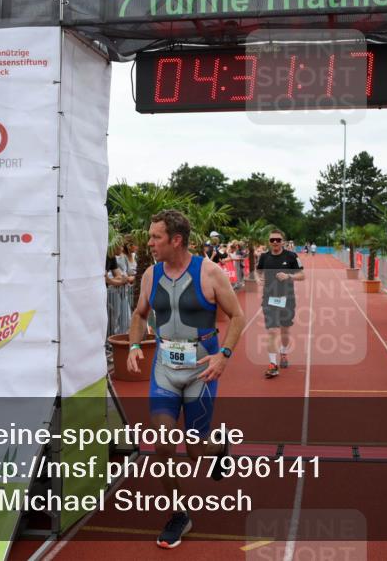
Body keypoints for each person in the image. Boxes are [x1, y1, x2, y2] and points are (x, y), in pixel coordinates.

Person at [126, 210, 245, 549]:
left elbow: (237, 316)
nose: (149, 243)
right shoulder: (150, 275)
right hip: (165, 367)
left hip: (201, 369)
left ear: (175, 240)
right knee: (162, 444)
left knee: (194, 450)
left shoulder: (209, 272)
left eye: (155, 238)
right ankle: (179, 513)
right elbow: (139, 314)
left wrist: (224, 355)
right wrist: (135, 344)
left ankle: (219, 446)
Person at [256, 229, 304, 378]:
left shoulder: (291, 256)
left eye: (278, 240)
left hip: (287, 299)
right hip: (269, 299)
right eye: (272, 240)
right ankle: (272, 364)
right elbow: (258, 272)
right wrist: (259, 279)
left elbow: (302, 275)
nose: (275, 242)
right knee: (272, 331)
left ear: (282, 241)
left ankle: (283, 352)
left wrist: (288, 276)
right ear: (269, 242)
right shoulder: (264, 257)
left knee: (285, 331)